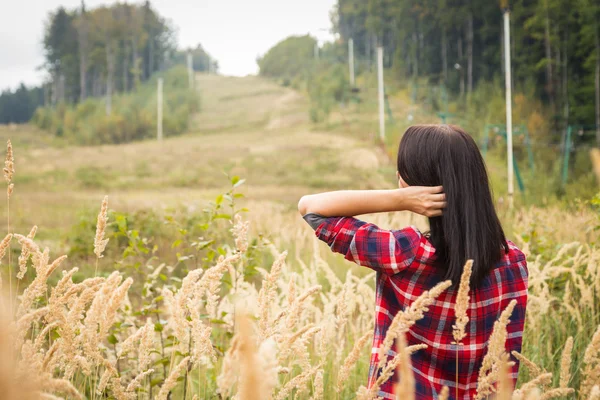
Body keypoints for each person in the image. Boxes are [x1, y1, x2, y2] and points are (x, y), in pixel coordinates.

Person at [298, 124, 528, 399]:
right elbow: (504, 367)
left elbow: (309, 206)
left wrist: (399, 199)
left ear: (415, 185)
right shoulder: (514, 262)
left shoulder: (406, 252)